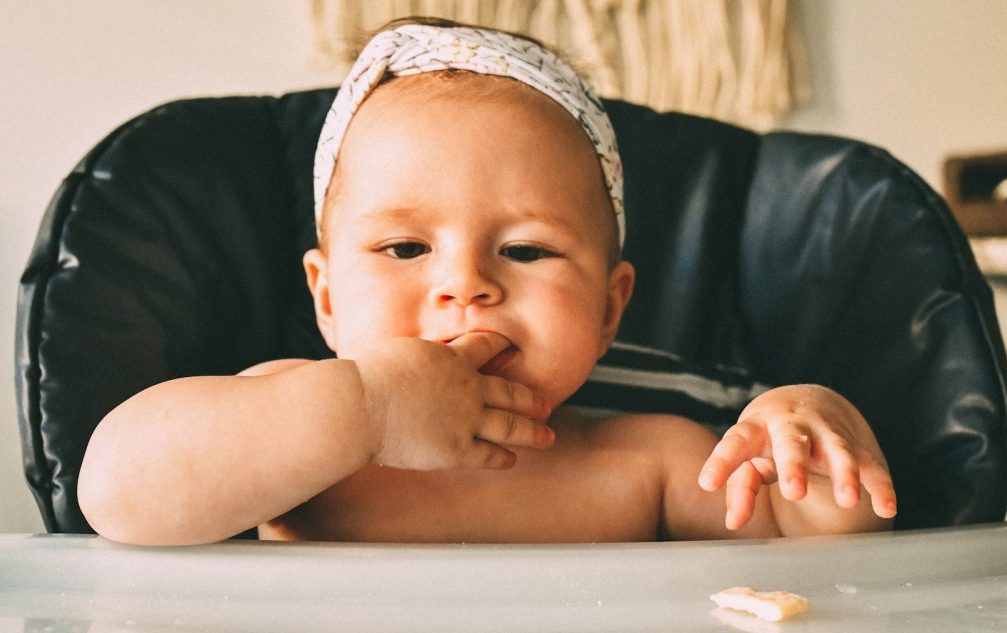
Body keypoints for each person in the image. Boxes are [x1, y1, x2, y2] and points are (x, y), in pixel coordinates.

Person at [78, 18, 897, 546]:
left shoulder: (646, 458)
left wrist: (813, 440)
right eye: (405, 247)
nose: (466, 285)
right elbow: (117, 495)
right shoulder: (292, 424)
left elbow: (824, 555)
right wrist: (364, 409)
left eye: (528, 251)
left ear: (609, 308)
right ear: (326, 299)